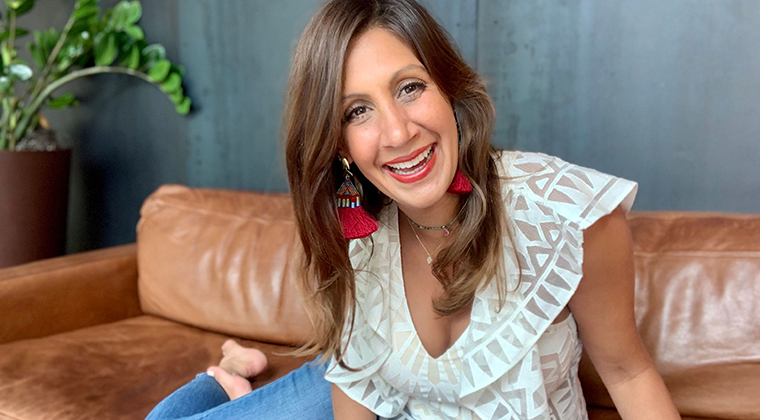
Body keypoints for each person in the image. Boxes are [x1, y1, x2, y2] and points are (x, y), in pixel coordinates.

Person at [146, 0, 681, 419]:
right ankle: (227, 379)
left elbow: (629, 375)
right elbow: (355, 381)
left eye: (409, 88)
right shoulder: (358, 232)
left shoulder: (564, 214)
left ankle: (234, 378)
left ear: (448, 88)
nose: (398, 133)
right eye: (358, 111)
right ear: (338, 143)